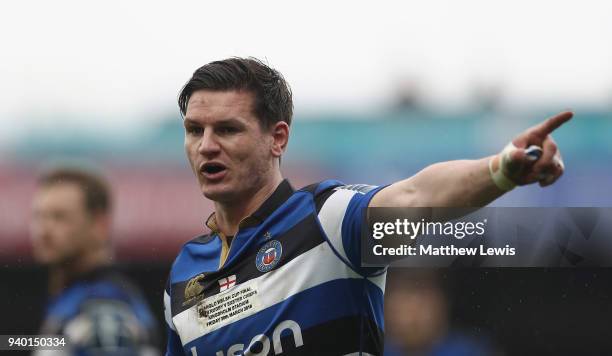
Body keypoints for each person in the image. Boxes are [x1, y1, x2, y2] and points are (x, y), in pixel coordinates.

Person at [164, 57, 571, 356]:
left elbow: (418, 196)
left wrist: (502, 169)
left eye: (228, 129)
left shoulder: (330, 223)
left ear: (278, 139)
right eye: (194, 130)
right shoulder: (184, 273)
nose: (206, 145)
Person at [30, 167, 160, 356]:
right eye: (39, 216)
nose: (43, 230)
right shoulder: (75, 299)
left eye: (59, 217)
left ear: (100, 225)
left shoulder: (104, 308)